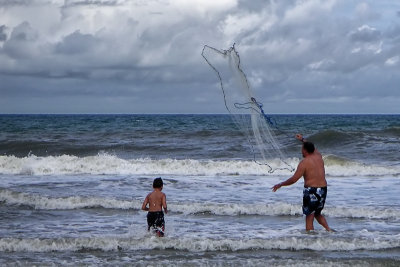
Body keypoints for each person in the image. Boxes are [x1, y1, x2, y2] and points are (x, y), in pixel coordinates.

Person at [272, 134, 333, 232]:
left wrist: (281, 184)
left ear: (305, 150)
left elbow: (294, 179)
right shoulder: (318, 156)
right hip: (323, 189)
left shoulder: (304, 163)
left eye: (302, 149)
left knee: (309, 216)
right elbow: (313, 148)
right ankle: (329, 230)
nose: (301, 151)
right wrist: (302, 139)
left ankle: (310, 238)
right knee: (317, 214)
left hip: (311, 190)